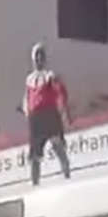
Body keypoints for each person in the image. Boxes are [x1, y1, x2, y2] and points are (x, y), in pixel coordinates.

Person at [22, 42, 72, 186]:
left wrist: (64, 112)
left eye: (41, 56)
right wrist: (27, 112)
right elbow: (27, 98)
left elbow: (60, 92)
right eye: (36, 56)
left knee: (58, 147)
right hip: (35, 119)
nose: (39, 59)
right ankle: (35, 183)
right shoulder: (29, 79)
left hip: (49, 115)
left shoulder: (49, 75)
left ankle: (67, 176)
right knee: (35, 155)